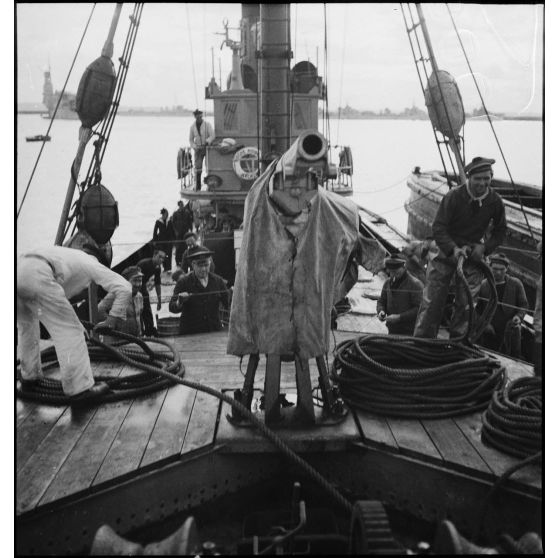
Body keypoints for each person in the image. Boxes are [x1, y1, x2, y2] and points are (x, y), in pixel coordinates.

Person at [17, 246, 131, 403]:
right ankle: (80, 390)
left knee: (27, 326)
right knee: (70, 331)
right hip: (38, 275)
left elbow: (57, 297)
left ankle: (29, 377)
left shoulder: (67, 255)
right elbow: (125, 287)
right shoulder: (90, 262)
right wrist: (112, 319)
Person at [414, 156, 507, 339]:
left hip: (472, 256)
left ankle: (458, 346)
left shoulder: (495, 201)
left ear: (491, 177)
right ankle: (422, 343)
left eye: (486, 178)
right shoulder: (454, 196)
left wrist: (484, 248)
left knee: (466, 306)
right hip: (445, 252)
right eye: (477, 179)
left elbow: (500, 230)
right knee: (432, 302)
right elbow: (438, 227)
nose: (482, 183)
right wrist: (453, 249)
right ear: (469, 178)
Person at [476, 253, 528, 357]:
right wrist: (485, 324)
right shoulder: (483, 285)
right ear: (489, 267)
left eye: (502, 269)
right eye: (495, 269)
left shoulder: (516, 284)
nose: (498, 272)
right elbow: (477, 310)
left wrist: (518, 316)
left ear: (507, 268)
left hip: (510, 330)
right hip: (490, 331)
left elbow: (524, 305)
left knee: (513, 357)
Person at [169, 246, 230, 334]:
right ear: (193, 265)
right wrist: (179, 302)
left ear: (210, 263)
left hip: (214, 331)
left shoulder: (218, 281)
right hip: (191, 333)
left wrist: (232, 295)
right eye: (200, 266)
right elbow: (171, 307)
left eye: (206, 265)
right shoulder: (183, 282)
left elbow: (227, 303)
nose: (203, 269)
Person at [376, 254, 424, 335]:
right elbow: (382, 301)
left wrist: (400, 317)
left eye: (396, 271)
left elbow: (419, 309)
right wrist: (381, 311)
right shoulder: (388, 282)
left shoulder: (415, 284)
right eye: (391, 272)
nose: (393, 275)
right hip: (392, 328)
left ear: (404, 267)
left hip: (409, 331)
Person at [98, 265, 144, 338]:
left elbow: (139, 316)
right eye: (135, 280)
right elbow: (99, 310)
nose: (138, 284)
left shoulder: (139, 296)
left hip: (135, 339)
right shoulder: (115, 294)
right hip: (116, 340)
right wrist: (111, 322)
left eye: (140, 281)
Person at [137, 250, 166, 336]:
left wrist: (159, 301)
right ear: (154, 255)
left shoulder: (157, 268)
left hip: (143, 286)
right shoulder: (143, 264)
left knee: (147, 309)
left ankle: (150, 330)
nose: (161, 260)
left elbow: (157, 284)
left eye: (163, 258)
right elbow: (135, 279)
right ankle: (140, 331)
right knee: (139, 310)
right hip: (135, 286)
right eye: (159, 257)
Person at [189, 109, 215, 191]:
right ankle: (198, 186)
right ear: (195, 117)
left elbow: (212, 135)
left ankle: (209, 185)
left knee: (209, 166)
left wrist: (207, 142)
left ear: (202, 116)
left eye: (200, 116)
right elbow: (190, 140)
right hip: (198, 150)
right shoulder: (192, 127)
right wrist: (194, 146)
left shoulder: (207, 125)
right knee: (198, 167)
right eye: (197, 116)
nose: (198, 118)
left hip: (207, 149)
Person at [171, 200, 193, 267]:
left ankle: (184, 260)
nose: (182, 206)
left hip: (185, 232)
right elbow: (173, 223)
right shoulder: (175, 213)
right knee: (178, 247)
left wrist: (191, 229)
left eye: (182, 205)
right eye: (180, 205)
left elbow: (190, 221)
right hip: (178, 233)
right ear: (178, 206)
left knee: (185, 246)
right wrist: (175, 232)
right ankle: (177, 261)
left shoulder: (187, 213)